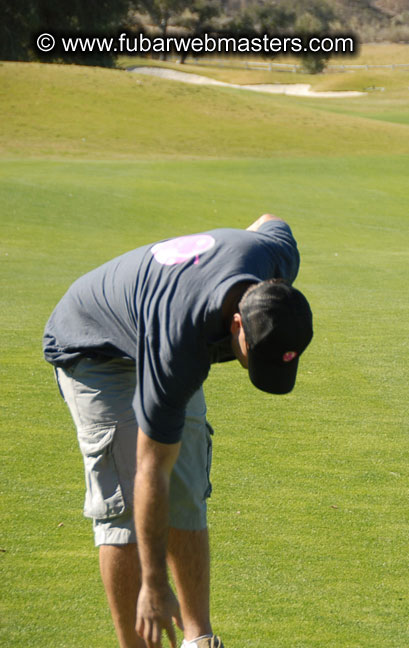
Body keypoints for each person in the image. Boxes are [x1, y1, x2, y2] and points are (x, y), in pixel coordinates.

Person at [44, 215, 313, 647]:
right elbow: (152, 469)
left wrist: (217, 263)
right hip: (95, 347)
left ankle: (199, 640)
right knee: (126, 510)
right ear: (238, 326)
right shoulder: (179, 346)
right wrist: (154, 584)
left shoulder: (276, 259)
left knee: (187, 487)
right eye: (254, 358)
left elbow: (271, 222)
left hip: (162, 319)